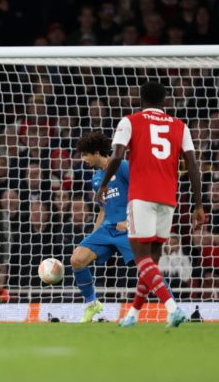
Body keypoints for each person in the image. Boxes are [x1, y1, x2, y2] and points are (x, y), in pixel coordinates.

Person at [96, 81, 204, 328]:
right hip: (168, 199)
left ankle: (173, 307)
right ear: (165, 101)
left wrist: (103, 184)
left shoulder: (130, 121)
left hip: (142, 196)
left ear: (141, 100)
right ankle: (133, 314)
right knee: (151, 263)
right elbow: (193, 166)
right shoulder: (180, 125)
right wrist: (198, 205)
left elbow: (117, 155)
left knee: (141, 257)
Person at [71, 131, 134, 323]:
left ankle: (172, 305)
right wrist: (93, 236)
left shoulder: (122, 166)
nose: (83, 159)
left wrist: (130, 220)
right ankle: (92, 304)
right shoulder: (96, 179)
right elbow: (102, 210)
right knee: (77, 260)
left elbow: (139, 194)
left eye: (85, 154)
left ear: (97, 152)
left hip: (129, 228)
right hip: (107, 229)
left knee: (147, 269)